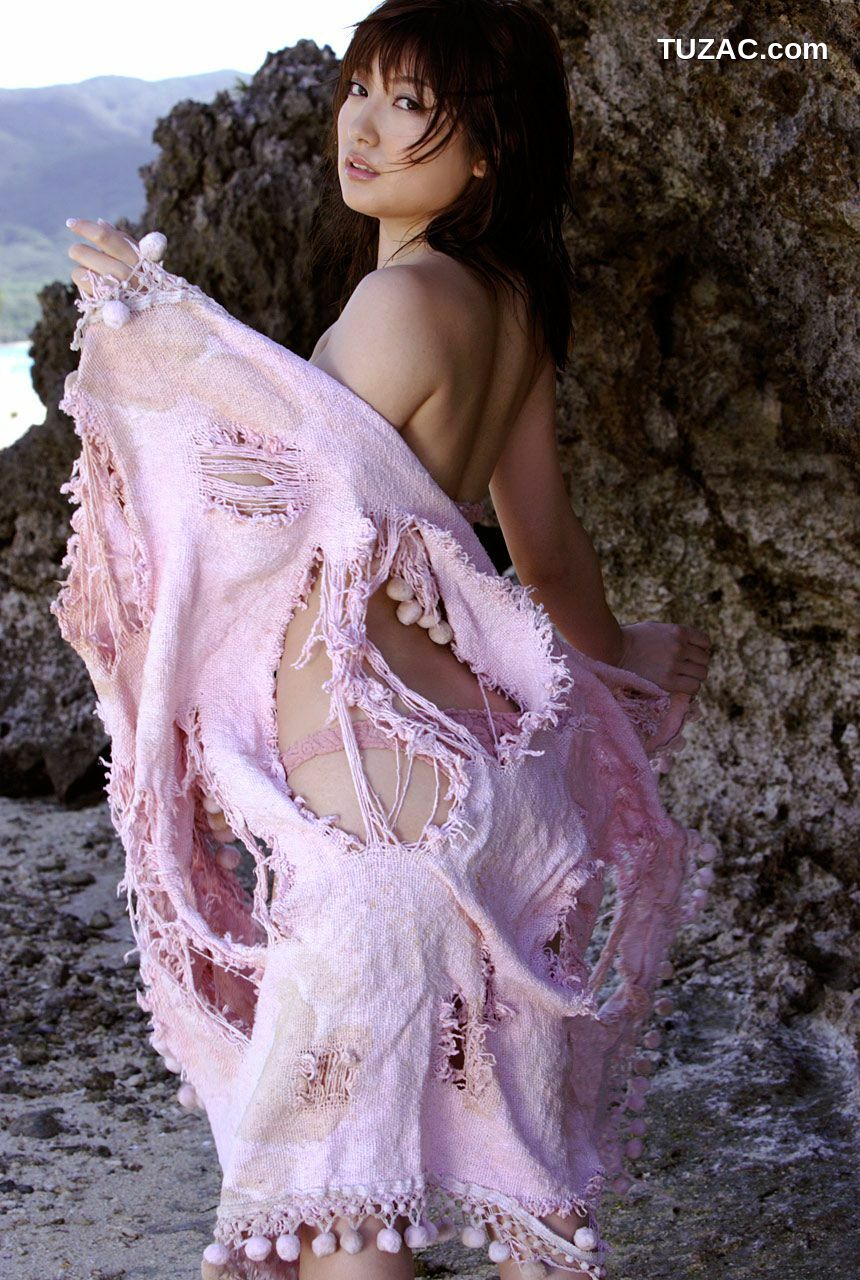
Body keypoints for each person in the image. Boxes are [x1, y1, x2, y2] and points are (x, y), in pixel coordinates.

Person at [63, 3, 712, 1278]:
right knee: (505, 1196)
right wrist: (623, 646)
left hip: (376, 792)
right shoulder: (510, 310)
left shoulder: (396, 302)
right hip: (480, 776)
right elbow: (545, 556)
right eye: (359, 87)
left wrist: (151, 333)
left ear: (485, 152)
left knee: (342, 1208)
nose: (361, 123)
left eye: (409, 104)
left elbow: (262, 514)